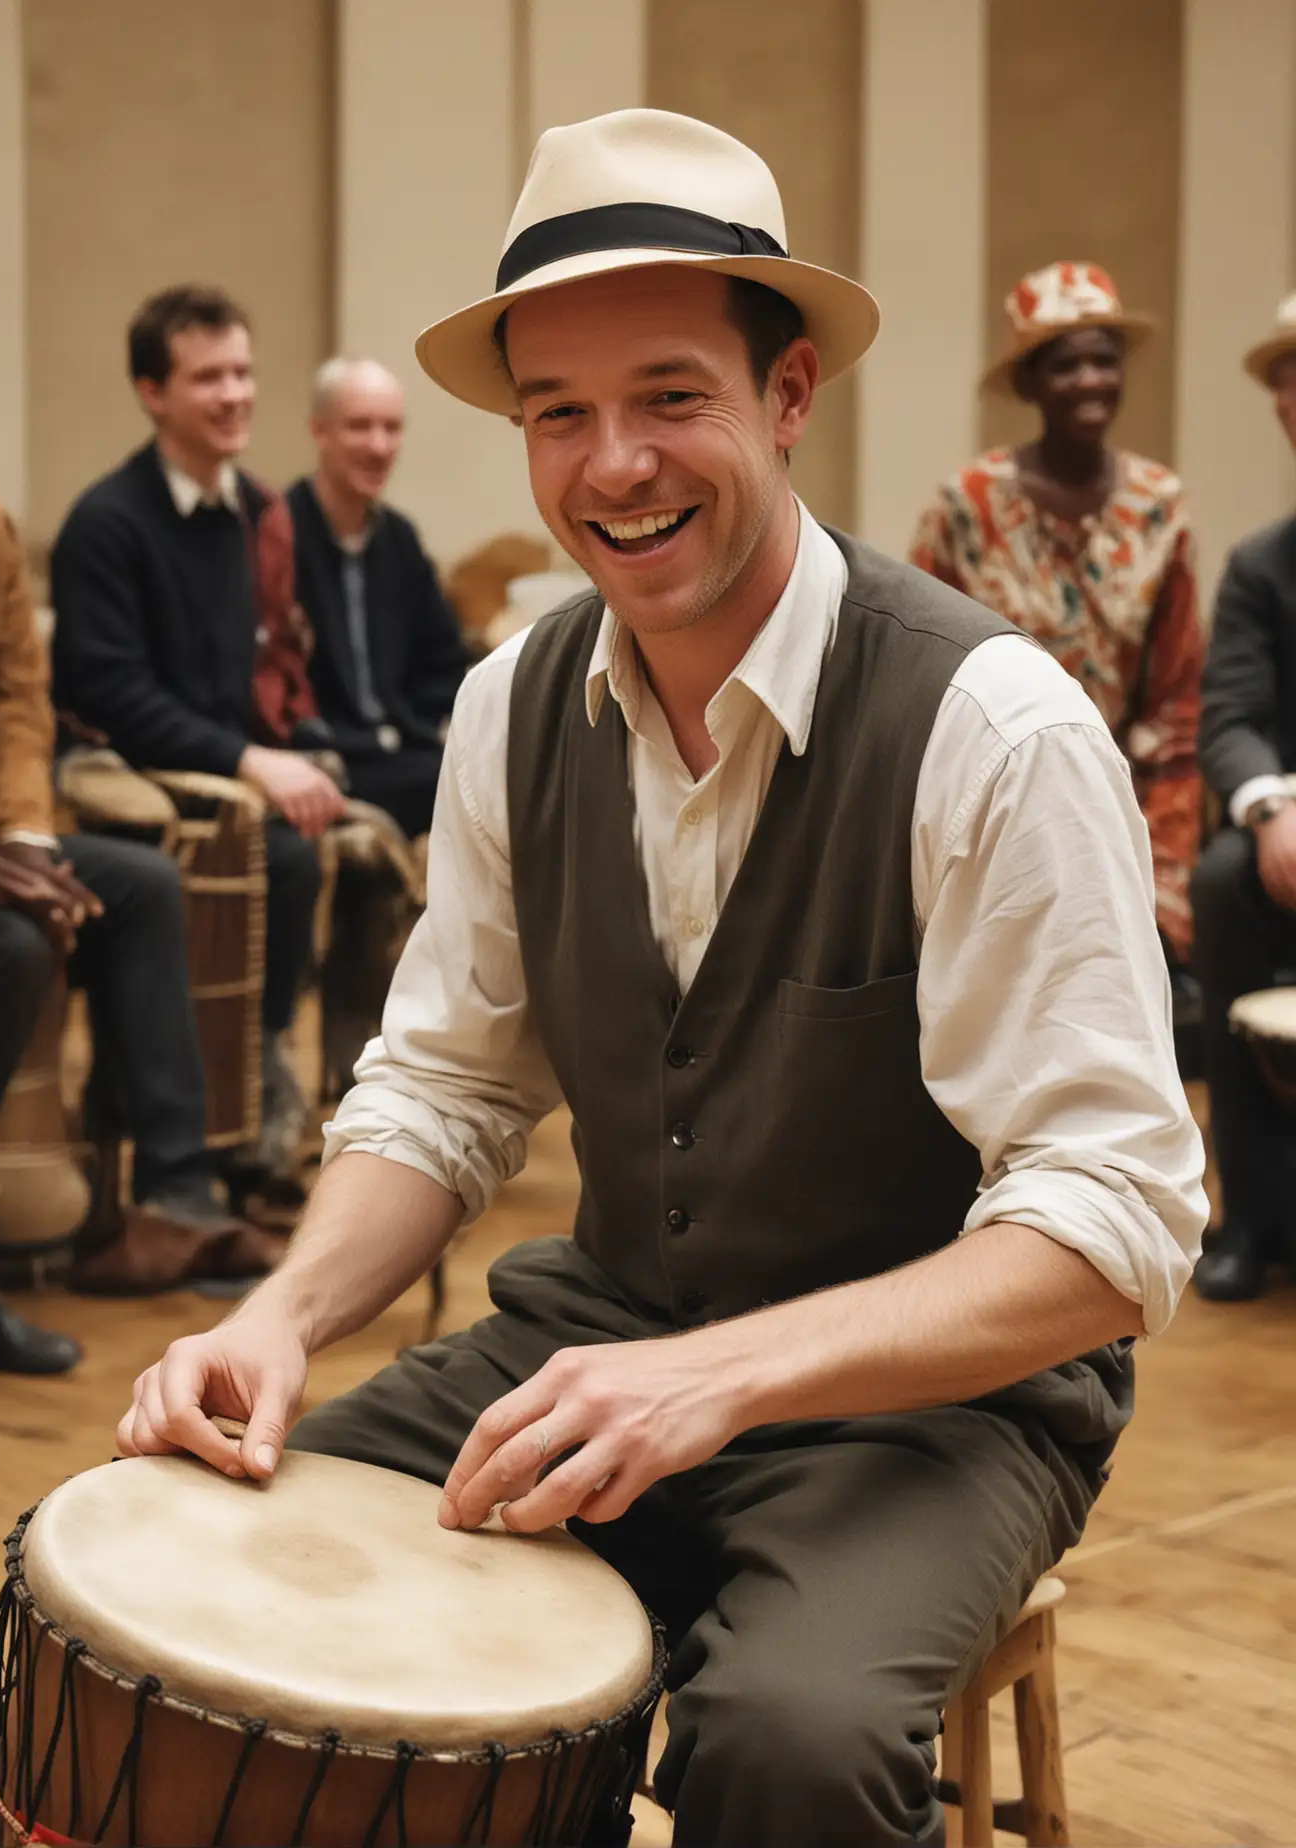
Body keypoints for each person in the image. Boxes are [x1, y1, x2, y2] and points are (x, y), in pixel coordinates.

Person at [116, 112, 1206, 1845]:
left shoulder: (988, 729)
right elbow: (448, 1085)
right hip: (597, 1339)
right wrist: (278, 1313)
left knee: (787, 1742)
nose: (612, 462)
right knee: (203, 1587)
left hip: (927, 1412)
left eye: (671, 394)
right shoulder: (508, 705)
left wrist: (727, 1377)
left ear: (787, 396)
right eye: (559, 411)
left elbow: (1115, 1223)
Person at [0, 288, 275, 1396]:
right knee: (9, 948)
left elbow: (22, 703)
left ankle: (172, 1197)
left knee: (139, 885)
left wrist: (21, 836)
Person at [50, 287, 346, 1175]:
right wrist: (253, 760)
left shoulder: (257, 511)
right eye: (208, 376)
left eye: (245, 372)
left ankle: (270, 1078)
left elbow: (259, 678)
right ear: (152, 392)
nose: (235, 395)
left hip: (226, 774)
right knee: (283, 851)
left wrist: (298, 748)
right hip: (125, 784)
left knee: (336, 838)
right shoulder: (106, 522)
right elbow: (110, 695)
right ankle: (225, 1098)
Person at [911, 262, 1205, 970]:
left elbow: (1178, 703)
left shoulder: (1160, 506)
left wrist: (1162, 882)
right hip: (991, 803)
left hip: (1120, 810)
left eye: (1104, 360)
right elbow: (917, 670)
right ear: (1029, 382)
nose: (1089, 380)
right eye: (1064, 364)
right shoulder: (967, 506)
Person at [1189, 291, 1296, 1302]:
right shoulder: (1261, 566)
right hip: (1295, 834)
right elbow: (1229, 716)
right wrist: (1270, 808)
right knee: (1223, 880)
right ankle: (1253, 1217)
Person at [287, 360, 467, 841]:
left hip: (402, 747)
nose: (379, 446)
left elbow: (444, 659)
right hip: (324, 759)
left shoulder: (399, 539)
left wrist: (421, 723)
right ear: (319, 431)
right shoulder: (278, 533)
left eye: (391, 428)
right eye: (359, 427)